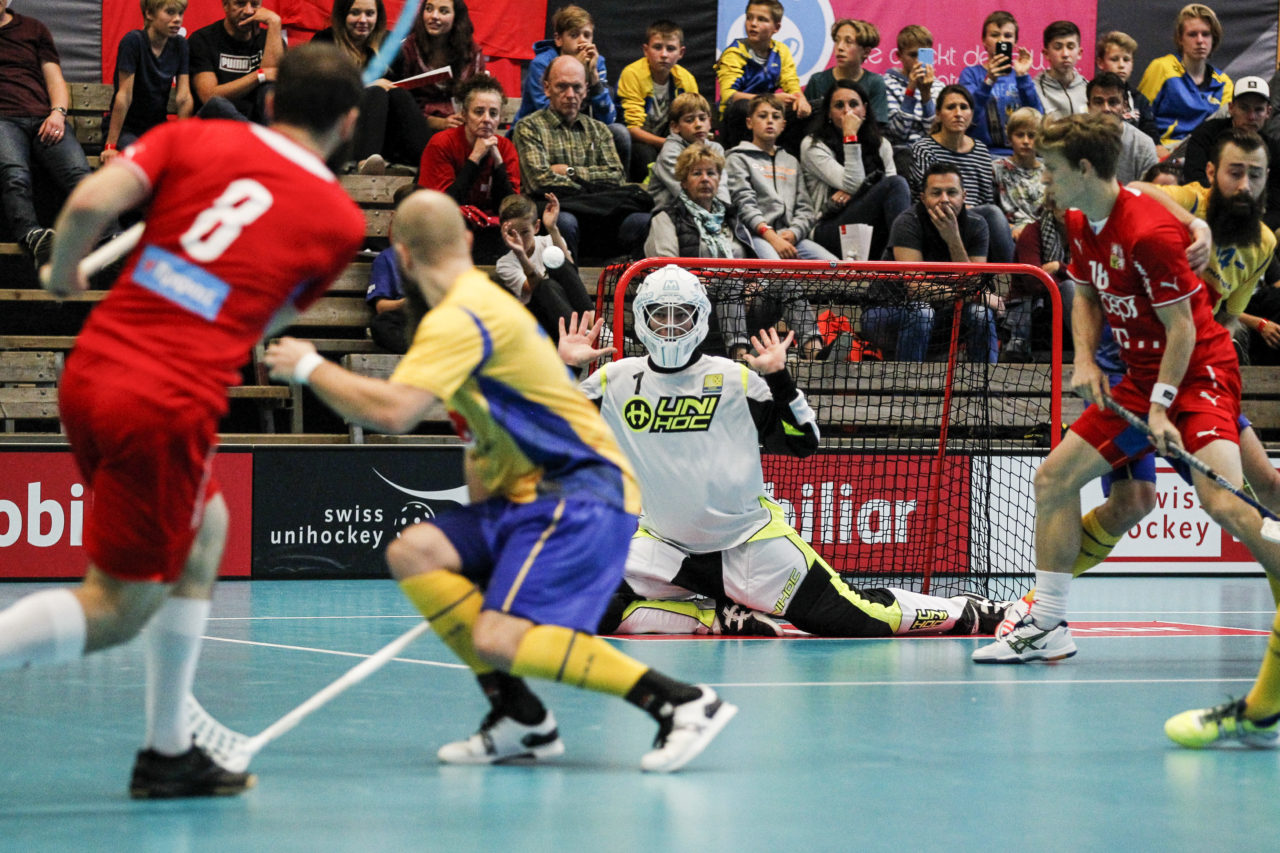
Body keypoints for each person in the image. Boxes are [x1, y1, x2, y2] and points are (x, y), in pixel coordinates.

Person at [263, 189, 738, 773]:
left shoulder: (460, 318)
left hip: (579, 493)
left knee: (496, 636)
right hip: (527, 497)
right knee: (418, 552)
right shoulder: (474, 310)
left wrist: (309, 366)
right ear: (467, 242)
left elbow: (393, 412)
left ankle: (680, 701)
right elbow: (482, 444)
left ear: (400, 257)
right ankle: (520, 717)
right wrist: (490, 545)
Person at [0, 43, 366, 798]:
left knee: (206, 528)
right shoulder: (336, 219)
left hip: (96, 366)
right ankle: (165, 749)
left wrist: (66, 272)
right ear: (351, 121)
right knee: (115, 609)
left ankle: (168, 751)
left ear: (270, 99)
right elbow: (269, 320)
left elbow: (90, 204)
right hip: (164, 402)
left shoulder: (196, 131)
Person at [968, 116, 1280, 739]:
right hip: (1135, 374)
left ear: (1084, 170)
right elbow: (1084, 294)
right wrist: (1083, 358)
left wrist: (1163, 408)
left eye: (1053, 170)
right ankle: (1049, 626)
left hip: (1196, 373)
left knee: (1223, 500)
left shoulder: (1146, 234)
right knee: (1053, 478)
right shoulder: (1082, 219)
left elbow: (1187, 330)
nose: (1045, 181)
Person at [558, 266, 1010, 639]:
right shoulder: (613, 381)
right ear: (642, 319)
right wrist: (562, 369)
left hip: (749, 543)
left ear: (701, 319)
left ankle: (962, 610)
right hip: (663, 545)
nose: (671, 327)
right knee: (581, 605)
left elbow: (803, 442)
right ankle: (715, 618)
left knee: (855, 620)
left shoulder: (736, 379)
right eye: (660, 316)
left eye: (682, 315)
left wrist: (779, 377)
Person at [513, 55, 652, 262]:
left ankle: (627, 287)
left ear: (586, 89)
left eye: (577, 87)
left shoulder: (600, 130)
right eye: (562, 87)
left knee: (644, 220)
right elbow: (539, 181)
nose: (570, 95)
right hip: (555, 209)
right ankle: (568, 288)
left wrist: (570, 172)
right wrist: (593, 186)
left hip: (599, 215)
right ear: (547, 88)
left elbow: (616, 177)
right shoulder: (529, 128)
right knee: (564, 221)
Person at [871, 162, 1002, 363]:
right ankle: (907, 390)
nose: (944, 200)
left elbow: (973, 282)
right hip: (886, 311)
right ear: (923, 198)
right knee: (922, 312)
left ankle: (983, 391)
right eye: (936, 193)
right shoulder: (907, 223)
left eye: (951, 192)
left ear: (964, 196)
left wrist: (953, 239)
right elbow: (916, 289)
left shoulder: (977, 225)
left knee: (980, 313)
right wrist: (974, 296)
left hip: (943, 313)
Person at [0, 0, 95, 270]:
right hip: (3, 120)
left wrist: (58, 113)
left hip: (45, 117)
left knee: (80, 173)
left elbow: (54, 78)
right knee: (14, 173)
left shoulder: (34, 29)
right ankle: (32, 235)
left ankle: (110, 235)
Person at [312, 0, 430, 173]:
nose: (363, 20)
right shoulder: (324, 41)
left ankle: (429, 160)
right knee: (376, 92)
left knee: (399, 94)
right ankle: (364, 163)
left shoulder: (388, 44)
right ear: (343, 15)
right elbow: (317, 92)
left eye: (369, 14)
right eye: (355, 13)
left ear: (378, 16)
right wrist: (367, 84)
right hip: (339, 126)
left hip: (385, 135)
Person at [800, 79, 910, 261]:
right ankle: (911, 270)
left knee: (898, 192)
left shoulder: (881, 145)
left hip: (870, 223)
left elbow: (891, 197)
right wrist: (850, 136)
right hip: (828, 227)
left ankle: (894, 276)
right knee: (896, 184)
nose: (847, 111)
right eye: (838, 105)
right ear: (828, 112)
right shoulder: (813, 145)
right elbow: (855, 183)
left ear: (864, 109)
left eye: (853, 104)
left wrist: (860, 193)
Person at [417, 74, 520, 263]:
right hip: (445, 228)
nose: (486, 119)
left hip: (489, 231)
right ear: (464, 114)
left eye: (493, 113)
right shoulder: (442, 143)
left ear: (500, 118)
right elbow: (444, 205)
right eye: (479, 112)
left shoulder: (505, 148)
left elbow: (509, 209)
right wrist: (474, 158)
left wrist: (498, 164)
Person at [514, 5, 628, 169]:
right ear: (559, 39)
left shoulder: (597, 62)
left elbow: (608, 119)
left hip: (582, 128)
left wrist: (594, 80)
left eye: (587, 35)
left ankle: (616, 188)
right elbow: (551, 113)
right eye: (574, 35)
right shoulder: (541, 64)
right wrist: (578, 69)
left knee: (619, 133)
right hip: (542, 130)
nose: (582, 41)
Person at [908, 84, 1013, 262]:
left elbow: (987, 199)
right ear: (939, 114)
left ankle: (1004, 284)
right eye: (951, 107)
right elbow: (927, 197)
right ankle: (1008, 280)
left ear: (971, 114)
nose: (958, 113)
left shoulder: (980, 149)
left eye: (964, 107)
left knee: (996, 216)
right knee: (994, 214)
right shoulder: (924, 148)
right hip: (936, 215)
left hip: (975, 221)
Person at [725, 94, 834, 264]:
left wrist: (794, 233)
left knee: (837, 269)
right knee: (780, 275)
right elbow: (743, 205)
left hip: (790, 236)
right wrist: (772, 237)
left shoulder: (791, 161)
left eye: (775, 117)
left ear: (783, 125)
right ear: (749, 123)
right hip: (756, 235)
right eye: (762, 116)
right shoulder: (737, 158)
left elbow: (805, 208)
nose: (769, 121)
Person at [1179, 76, 1280, 230]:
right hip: (1206, 216)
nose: (1251, 117)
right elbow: (1194, 179)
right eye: (1244, 108)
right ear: (1231, 108)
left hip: (1256, 225)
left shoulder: (1274, 149)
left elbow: (1277, 202)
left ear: (1268, 112)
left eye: (1258, 109)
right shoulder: (1207, 134)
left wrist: (1255, 227)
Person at [103, 0, 194, 163]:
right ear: (149, 14)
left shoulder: (181, 45)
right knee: (146, 157)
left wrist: (183, 141)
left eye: (180, 13)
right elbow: (124, 96)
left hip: (156, 128)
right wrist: (110, 146)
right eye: (170, 12)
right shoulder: (133, 41)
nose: (178, 19)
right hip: (127, 129)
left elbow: (184, 97)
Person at [493, 192, 592, 341]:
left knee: (558, 260)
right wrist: (521, 254)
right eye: (513, 233)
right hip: (539, 322)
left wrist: (552, 228)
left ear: (537, 226)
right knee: (545, 286)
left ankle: (598, 332)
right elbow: (534, 287)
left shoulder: (548, 241)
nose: (520, 239)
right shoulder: (505, 264)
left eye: (525, 232)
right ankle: (582, 338)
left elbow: (571, 272)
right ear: (504, 233)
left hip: (569, 312)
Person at [714, 0, 810, 152]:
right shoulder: (734, 52)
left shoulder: (781, 51)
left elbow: (792, 85)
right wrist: (771, 99)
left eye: (761, 19)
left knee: (814, 108)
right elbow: (729, 96)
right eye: (749, 18)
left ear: (776, 27)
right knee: (742, 107)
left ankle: (790, 158)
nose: (753, 24)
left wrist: (801, 100)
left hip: (768, 114)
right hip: (736, 119)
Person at [1137, 3, 1232, 154]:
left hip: (1202, 153)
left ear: (1214, 39)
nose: (1200, 40)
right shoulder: (1162, 68)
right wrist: (1156, 146)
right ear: (1180, 39)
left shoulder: (1223, 82)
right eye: (1192, 34)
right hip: (1163, 151)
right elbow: (1140, 116)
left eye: (1206, 34)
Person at [616, 20, 699, 182]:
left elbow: (694, 120)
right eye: (657, 47)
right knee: (645, 154)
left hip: (670, 139)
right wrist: (668, 143)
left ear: (681, 53)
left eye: (671, 49)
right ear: (646, 50)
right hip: (638, 142)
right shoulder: (632, 74)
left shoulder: (687, 80)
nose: (664, 54)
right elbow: (632, 129)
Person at [385, 0, 485, 132]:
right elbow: (399, 102)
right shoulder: (407, 48)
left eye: (443, 11)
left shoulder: (471, 52)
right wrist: (437, 122)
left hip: (461, 129)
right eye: (429, 9)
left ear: (456, 16)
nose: (434, 16)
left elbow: (479, 98)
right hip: (416, 129)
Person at [958, 10, 1044, 156]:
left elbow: (1038, 117)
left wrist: (1022, 76)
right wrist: (989, 80)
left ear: (1015, 42)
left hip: (1020, 155)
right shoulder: (971, 74)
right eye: (995, 35)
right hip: (981, 154)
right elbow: (968, 117)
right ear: (984, 41)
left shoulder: (1021, 76)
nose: (1001, 40)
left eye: (1008, 36)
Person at [188, 0, 284, 122]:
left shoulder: (270, 39)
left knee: (270, 90)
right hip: (216, 124)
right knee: (217, 104)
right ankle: (257, 136)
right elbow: (209, 97)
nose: (249, 11)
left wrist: (275, 23)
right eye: (240, 4)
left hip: (256, 121)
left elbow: (271, 78)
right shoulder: (203, 40)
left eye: (255, 4)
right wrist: (258, 76)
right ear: (225, 5)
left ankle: (255, 135)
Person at [365, 182, 421, 354]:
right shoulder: (387, 258)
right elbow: (381, 307)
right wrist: (408, 302)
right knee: (381, 324)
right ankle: (419, 355)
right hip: (406, 318)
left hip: (438, 317)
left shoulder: (441, 253)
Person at [802, 19, 888, 127]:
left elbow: (877, 127)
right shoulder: (818, 81)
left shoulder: (875, 82)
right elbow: (806, 124)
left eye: (848, 42)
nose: (840, 47)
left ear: (866, 52)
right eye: (837, 41)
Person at [647, 93, 726, 210]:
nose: (698, 124)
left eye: (702, 118)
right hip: (670, 213)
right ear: (675, 127)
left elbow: (722, 187)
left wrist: (725, 214)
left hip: (709, 210)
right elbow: (685, 193)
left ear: (709, 123)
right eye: (689, 120)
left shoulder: (716, 149)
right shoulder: (670, 151)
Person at [1086, 72, 1159, 185]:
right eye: (1098, 102)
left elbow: (1150, 195)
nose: (1106, 109)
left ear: (1125, 106)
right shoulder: (1075, 142)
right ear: (1088, 106)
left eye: (1113, 102)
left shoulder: (1143, 145)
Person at [883, 24, 936, 174]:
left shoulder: (938, 86)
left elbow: (933, 133)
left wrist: (926, 95)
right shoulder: (886, 84)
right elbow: (898, 133)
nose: (919, 61)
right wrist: (910, 91)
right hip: (900, 154)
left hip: (931, 154)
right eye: (913, 55)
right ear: (899, 56)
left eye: (924, 55)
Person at [992, 107, 1046, 242]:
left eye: (1032, 136)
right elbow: (991, 209)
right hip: (1010, 232)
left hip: (1044, 232)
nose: (1026, 141)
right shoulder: (996, 168)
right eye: (1020, 135)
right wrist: (1008, 228)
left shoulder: (1050, 171)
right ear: (1010, 138)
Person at [1095, 31, 1159, 142]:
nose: (1121, 65)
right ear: (1100, 63)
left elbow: (1152, 136)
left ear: (1132, 64)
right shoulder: (1089, 95)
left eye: (1126, 59)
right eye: (1114, 59)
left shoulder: (1140, 99)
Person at [1035, 20, 1088, 118]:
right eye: (1058, 47)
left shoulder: (1089, 89)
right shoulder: (1035, 89)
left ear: (1079, 53)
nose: (1065, 54)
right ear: (1046, 54)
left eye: (1070, 47)